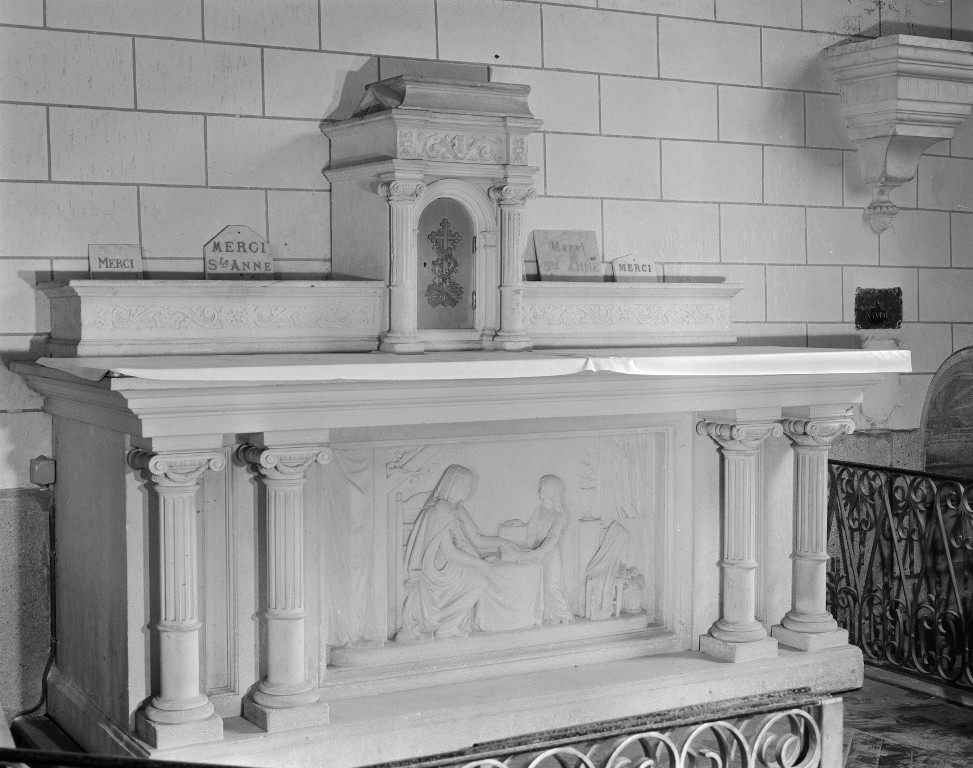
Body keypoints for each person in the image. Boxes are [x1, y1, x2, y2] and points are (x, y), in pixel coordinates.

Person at [395, 465, 497, 642]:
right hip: (437, 572)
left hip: (445, 566)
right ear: (455, 486)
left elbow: (472, 540)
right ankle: (444, 625)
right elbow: (449, 553)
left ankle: (448, 625)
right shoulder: (442, 509)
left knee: (481, 576)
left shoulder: (450, 508)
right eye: (466, 485)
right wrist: (480, 564)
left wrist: (496, 550)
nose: (468, 490)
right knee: (480, 582)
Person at [501, 475, 574, 624]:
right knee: (538, 583)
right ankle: (547, 615)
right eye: (540, 487)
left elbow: (551, 539)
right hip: (536, 550)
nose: (540, 490)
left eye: (544, 488)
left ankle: (563, 614)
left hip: (550, 553)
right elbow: (531, 528)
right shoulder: (538, 511)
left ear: (552, 492)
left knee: (551, 585)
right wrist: (519, 524)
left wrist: (534, 554)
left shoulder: (558, 515)